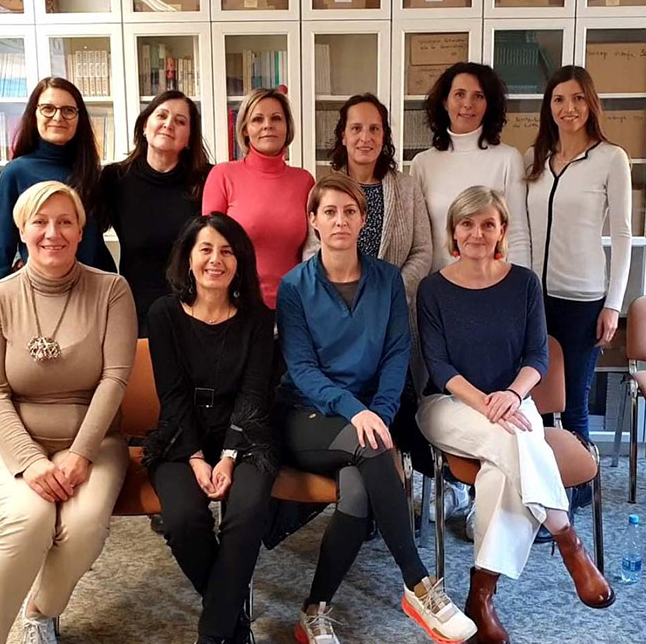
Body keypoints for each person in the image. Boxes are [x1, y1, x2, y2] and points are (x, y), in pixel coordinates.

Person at [276, 172, 476, 644]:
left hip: (369, 420)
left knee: (358, 492)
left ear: (363, 220)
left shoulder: (387, 280)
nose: (340, 220)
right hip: (309, 416)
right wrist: (358, 413)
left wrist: (380, 415)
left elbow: (395, 356)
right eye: (329, 212)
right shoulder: (294, 286)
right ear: (313, 221)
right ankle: (419, 584)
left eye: (350, 211)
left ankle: (314, 611)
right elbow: (301, 369)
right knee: (372, 449)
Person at [416, 186, 615, 644]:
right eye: (467, 224)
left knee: (500, 473)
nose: (477, 233)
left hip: (513, 399)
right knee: (515, 439)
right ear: (453, 232)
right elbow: (438, 365)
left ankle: (481, 598)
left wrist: (510, 394)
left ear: (502, 230)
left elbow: (537, 355)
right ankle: (567, 538)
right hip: (448, 404)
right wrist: (484, 401)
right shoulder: (433, 288)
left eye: (488, 224)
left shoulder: (524, 283)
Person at [0, 181, 137, 644]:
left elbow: (115, 379)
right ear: (22, 230)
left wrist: (81, 453)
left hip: (93, 439)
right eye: (40, 222)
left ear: (81, 231)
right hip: (9, 434)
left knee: (84, 524)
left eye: (65, 221)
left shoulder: (112, 290)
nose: (52, 232)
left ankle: (41, 613)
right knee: (29, 518)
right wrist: (30, 461)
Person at [143, 213, 276, 644]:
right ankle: (235, 627)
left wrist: (230, 456)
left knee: (246, 512)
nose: (215, 259)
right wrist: (199, 458)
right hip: (182, 438)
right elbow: (172, 395)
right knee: (182, 519)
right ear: (189, 258)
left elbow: (255, 393)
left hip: (246, 437)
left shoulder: (258, 318)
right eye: (206, 249)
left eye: (226, 251)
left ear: (240, 262)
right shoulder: (164, 314)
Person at [302, 93, 433, 471]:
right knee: (348, 416)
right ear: (342, 135)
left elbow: (422, 251)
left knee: (395, 410)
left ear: (385, 136)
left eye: (375, 129)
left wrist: (386, 297)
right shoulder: (326, 188)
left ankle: (393, 479)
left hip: (393, 321)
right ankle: (362, 481)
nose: (365, 137)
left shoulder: (406, 187)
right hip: (338, 327)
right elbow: (312, 251)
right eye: (356, 128)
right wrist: (348, 302)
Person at [525, 65, 632, 464]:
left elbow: (622, 235)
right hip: (535, 298)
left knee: (573, 404)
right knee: (535, 400)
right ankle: (542, 483)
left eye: (577, 98)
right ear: (548, 107)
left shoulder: (610, 158)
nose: (568, 108)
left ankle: (581, 485)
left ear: (590, 104)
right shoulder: (534, 159)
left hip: (583, 300)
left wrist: (613, 305)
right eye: (558, 99)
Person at [101, 90, 212, 333]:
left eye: (180, 121)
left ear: (189, 138)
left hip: (198, 311)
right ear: (144, 125)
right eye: (161, 115)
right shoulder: (114, 179)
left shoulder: (208, 180)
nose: (168, 124)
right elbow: (86, 237)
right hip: (135, 310)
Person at [0, 77, 115, 282]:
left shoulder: (91, 172)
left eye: (68, 110)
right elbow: (1, 251)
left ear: (79, 118)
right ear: (34, 114)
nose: (58, 117)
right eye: (48, 108)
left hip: (95, 288)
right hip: (44, 290)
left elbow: (95, 242)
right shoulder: (14, 174)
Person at [412, 62, 531, 273]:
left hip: (493, 282)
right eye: (459, 94)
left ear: (489, 104)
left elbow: (517, 232)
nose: (468, 104)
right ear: (445, 101)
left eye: (478, 96)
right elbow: (418, 242)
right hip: (438, 283)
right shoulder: (423, 163)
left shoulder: (508, 158)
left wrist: (520, 284)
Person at [203, 88, 314, 308]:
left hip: (293, 306)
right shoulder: (222, 175)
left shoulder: (305, 181)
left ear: (287, 127)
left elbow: (314, 250)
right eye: (257, 119)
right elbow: (209, 248)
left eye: (276, 118)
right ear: (245, 129)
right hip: (236, 307)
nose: (267, 125)